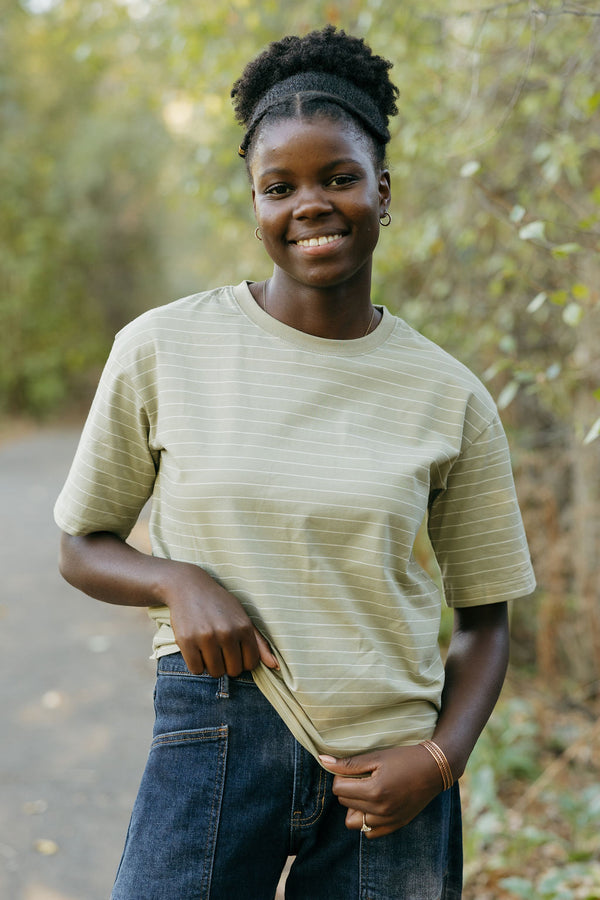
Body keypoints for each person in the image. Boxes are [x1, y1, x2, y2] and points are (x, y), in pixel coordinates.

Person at [54, 25, 536, 900]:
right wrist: (176, 582)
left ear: (382, 191)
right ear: (255, 203)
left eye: (338, 178)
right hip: (219, 730)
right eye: (279, 187)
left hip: (390, 774)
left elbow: (485, 624)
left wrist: (439, 761)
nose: (309, 203)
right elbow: (81, 544)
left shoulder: (450, 394)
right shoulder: (164, 349)